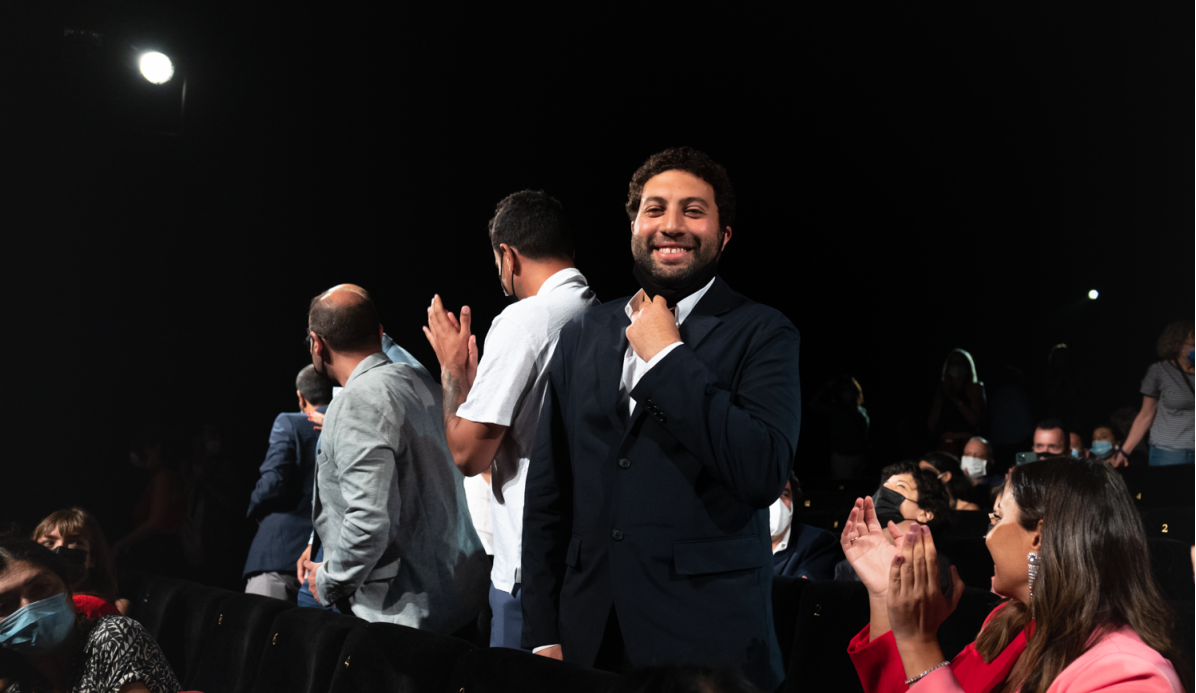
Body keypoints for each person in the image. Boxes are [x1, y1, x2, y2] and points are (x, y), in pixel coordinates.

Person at [521, 146, 801, 691]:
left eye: (693, 210)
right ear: (633, 227)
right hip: (588, 635)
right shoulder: (582, 334)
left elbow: (762, 469)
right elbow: (549, 495)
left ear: (723, 235)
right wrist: (541, 629)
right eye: (655, 209)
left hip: (708, 640)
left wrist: (666, 359)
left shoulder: (765, 332)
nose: (671, 225)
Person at [840, 456, 1190, 693]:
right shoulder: (1009, 623)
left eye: (996, 519)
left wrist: (920, 643)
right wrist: (885, 595)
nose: (986, 536)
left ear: (1038, 535)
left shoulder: (1128, 674)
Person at [423, 189, 597, 650]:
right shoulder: (597, 312)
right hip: (584, 559)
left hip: (527, 569)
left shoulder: (524, 320)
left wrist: (452, 371)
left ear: (508, 255)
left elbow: (466, 453)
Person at [298, 284, 488, 633]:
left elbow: (369, 522)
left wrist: (328, 579)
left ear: (317, 343)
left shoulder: (357, 401)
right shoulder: (421, 382)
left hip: (404, 620)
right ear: (380, 333)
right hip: (460, 599)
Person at [0, 537, 179, 693]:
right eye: (3, 604)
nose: (29, 608)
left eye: (41, 588)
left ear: (69, 589)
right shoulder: (21, 684)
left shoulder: (112, 636)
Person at [242, 365, 331, 602]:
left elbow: (272, 483)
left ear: (301, 397)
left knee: (259, 634)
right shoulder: (352, 422)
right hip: (329, 560)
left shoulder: (290, 423)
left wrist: (255, 510)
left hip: (279, 553)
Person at [833, 461, 954, 593]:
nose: (884, 491)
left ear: (925, 513)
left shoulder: (935, 568)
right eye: (884, 486)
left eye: (900, 486)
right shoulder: (850, 565)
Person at [1115, 319, 1196, 467]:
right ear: (1177, 344)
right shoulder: (1159, 371)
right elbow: (1145, 415)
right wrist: (1124, 452)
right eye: (1194, 345)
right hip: (1169, 453)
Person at [31, 508, 128, 618]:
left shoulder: (89, 608)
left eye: (75, 543)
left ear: (93, 558)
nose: (60, 548)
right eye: (49, 543)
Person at [771, 474, 839, 580]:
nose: (776, 503)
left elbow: (801, 590)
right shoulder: (738, 546)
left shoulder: (817, 541)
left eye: (784, 494)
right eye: (769, 496)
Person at [928, 349, 986, 458]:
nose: (957, 367)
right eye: (953, 363)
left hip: (966, 443)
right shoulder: (941, 389)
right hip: (944, 445)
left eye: (961, 363)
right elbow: (931, 424)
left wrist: (954, 398)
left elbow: (974, 420)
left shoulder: (975, 388)